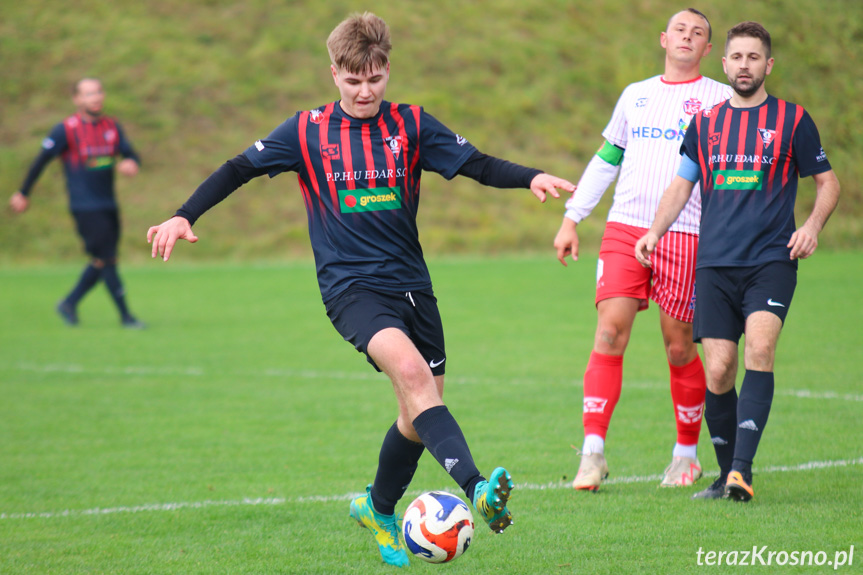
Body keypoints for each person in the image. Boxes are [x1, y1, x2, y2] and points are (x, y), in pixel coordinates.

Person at [147, 12, 576, 567]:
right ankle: (476, 490)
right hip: (350, 288)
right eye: (353, 80)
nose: (365, 90)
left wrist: (531, 176)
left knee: (418, 412)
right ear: (334, 74)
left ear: (387, 69)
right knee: (417, 378)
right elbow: (237, 169)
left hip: (412, 285)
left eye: (374, 78)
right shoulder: (305, 131)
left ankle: (377, 508)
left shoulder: (412, 125)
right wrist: (183, 215)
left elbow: (475, 163)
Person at [635, 21, 840, 502]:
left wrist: (809, 228)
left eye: (754, 58)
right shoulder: (704, 123)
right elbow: (682, 185)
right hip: (713, 265)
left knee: (759, 353)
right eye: (737, 57)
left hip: (770, 259)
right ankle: (727, 474)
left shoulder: (792, 120)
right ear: (723, 63)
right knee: (720, 369)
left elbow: (828, 182)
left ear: (767, 66)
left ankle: (741, 470)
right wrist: (654, 232)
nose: (744, 65)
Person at [553, 9, 731, 491]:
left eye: (698, 34)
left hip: (687, 233)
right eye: (680, 30)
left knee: (678, 347)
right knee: (609, 335)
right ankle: (592, 454)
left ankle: (685, 455)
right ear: (663, 39)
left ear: (707, 50)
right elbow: (608, 157)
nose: (687, 38)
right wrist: (572, 218)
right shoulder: (636, 95)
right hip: (625, 229)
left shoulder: (720, 100)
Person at [9, 78, 144, 329]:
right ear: (77, 99)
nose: (96, 97)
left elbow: (130, 154)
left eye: (98, 92)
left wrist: (131, 163)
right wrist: (23, 192)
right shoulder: (66, 130)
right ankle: (126, 317)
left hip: (108, 204)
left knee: (102, 260)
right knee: (108, 258)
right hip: (85, 206)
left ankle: (69, 303)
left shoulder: (112, 127)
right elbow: (40, 161)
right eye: (89, 93)